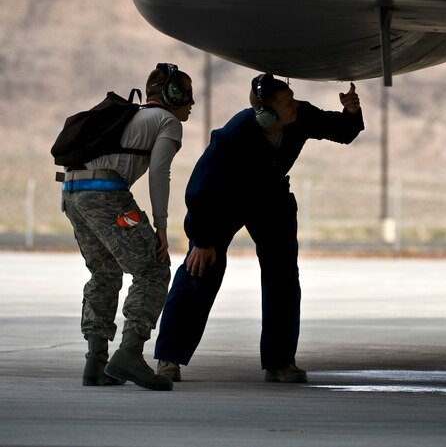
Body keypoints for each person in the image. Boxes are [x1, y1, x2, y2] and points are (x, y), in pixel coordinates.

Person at [154, 73, 364, 383]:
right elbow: (200, 188)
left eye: (293, 100)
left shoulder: (299, 116)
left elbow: (343, 132)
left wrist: (351, 111)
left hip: (271, 197)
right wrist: (201, 239)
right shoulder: (234, 136)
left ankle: (280, 362)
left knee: (282, 275)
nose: (295, 106)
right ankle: (169, 358)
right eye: (287, 103)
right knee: (201, 269)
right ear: (266, 114)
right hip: (224, 202)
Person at [61, 63, 195, 391]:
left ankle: (96, 363)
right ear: (171, 94)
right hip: (106, 196)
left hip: (72, 193)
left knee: (104, 273)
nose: (192, 102)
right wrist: (161, 229)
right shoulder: (166, 121)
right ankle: (130, 354)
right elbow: (158, 174)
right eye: (187, 93)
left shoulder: (132, 117)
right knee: (153, 269)